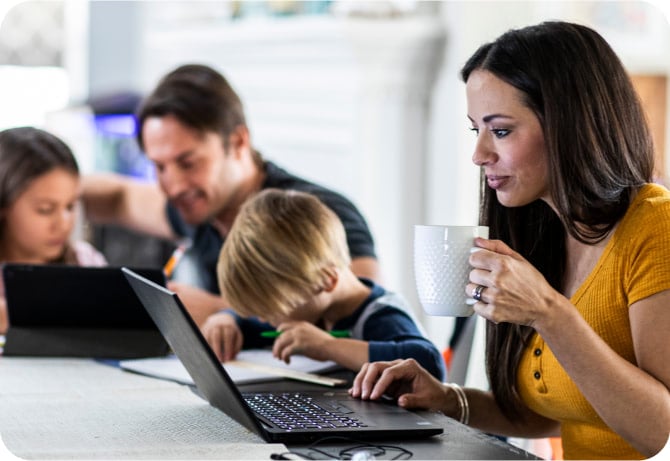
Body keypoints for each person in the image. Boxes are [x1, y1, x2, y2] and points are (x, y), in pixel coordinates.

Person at [349, 21, 670, 460]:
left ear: (569, 125)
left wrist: (549, 314)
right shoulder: (542, 230)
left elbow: (662, 433)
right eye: (475, 130)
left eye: (500, 131)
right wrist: (447, 399)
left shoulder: (657, 226)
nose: (479, 154)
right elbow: (557, 410)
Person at [81, 64, 379, 327]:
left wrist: (220, 310)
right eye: (159, 167)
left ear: (238, 142)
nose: (173, 186)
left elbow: (362, 316)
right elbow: (117, 197)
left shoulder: (317, 217)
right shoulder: (195, 207)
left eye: (188, 163)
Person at [204, 188, 445, 380]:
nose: (265, 321)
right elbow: (256, 328)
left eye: (270, 311)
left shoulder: (381, 315)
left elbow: (429, 363)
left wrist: (328, 346)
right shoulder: (314, 309)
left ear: (325, 281)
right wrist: (227, 319)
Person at [0, 127, 107, 334]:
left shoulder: (86, 262)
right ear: (3, 205)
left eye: (70, 206)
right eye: (45, 210)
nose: (64, 223)